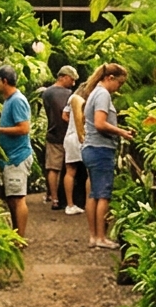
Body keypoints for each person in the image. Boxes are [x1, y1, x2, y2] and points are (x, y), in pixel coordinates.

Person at [81, 61, 131, 249]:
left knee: (94, 194)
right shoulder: (102, 95)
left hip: (91, 148)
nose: (118, 88)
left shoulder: (94, 93)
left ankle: (94, 236)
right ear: (109, 78)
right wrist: (122, 132)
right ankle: (101, 237)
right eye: (119, 83)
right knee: (103, 194)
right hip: (100, 149)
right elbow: (100, 123)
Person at [0, 64, 33, 236]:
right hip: (10, 158)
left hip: (18, 157)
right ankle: (15, 234)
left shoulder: (17, 100)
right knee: (12, 198)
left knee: (18, 199)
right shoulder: (9, 101)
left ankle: (20, 238)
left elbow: (24, 129)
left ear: (4, 81)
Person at [40, 63, 78, 212]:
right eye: (72, 80)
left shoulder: (46, 93)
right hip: (69, 134)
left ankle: (54, 198)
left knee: (52, 167)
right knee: (69, 169)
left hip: (53, 133)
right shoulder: (69, 95)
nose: (73, 84)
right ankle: (68, 200)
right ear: (64, 77)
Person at [61, 77, 87, 216]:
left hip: (70, 137)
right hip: (84, 136)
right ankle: (90, 205)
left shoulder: (72, 98)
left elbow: (64, 115)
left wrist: (72, 123)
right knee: (90, 171)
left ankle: (70, 204)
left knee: (70, 171)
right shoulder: (88, 100)